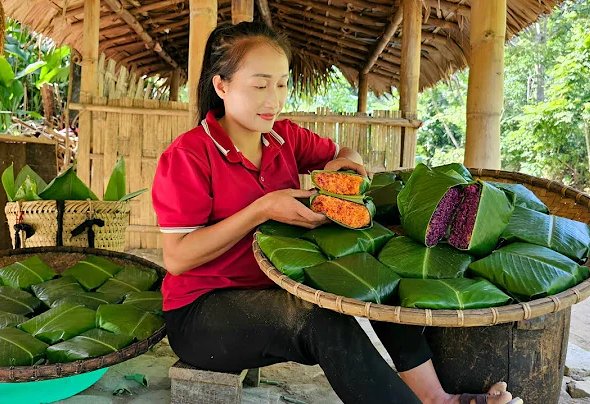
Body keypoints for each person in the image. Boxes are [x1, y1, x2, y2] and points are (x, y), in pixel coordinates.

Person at [152, 21, 516, 404]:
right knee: (321, 320)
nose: (274, 99)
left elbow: (346, 154)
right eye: (260, 85)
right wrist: (260, 210)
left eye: (282, 84)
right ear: (221, 85)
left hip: (277, 284)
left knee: (377, 276)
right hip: (203, 312)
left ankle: (437, 398)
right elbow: (178, 257)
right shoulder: (188, 156)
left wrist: (342, 169)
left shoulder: (284, 137)